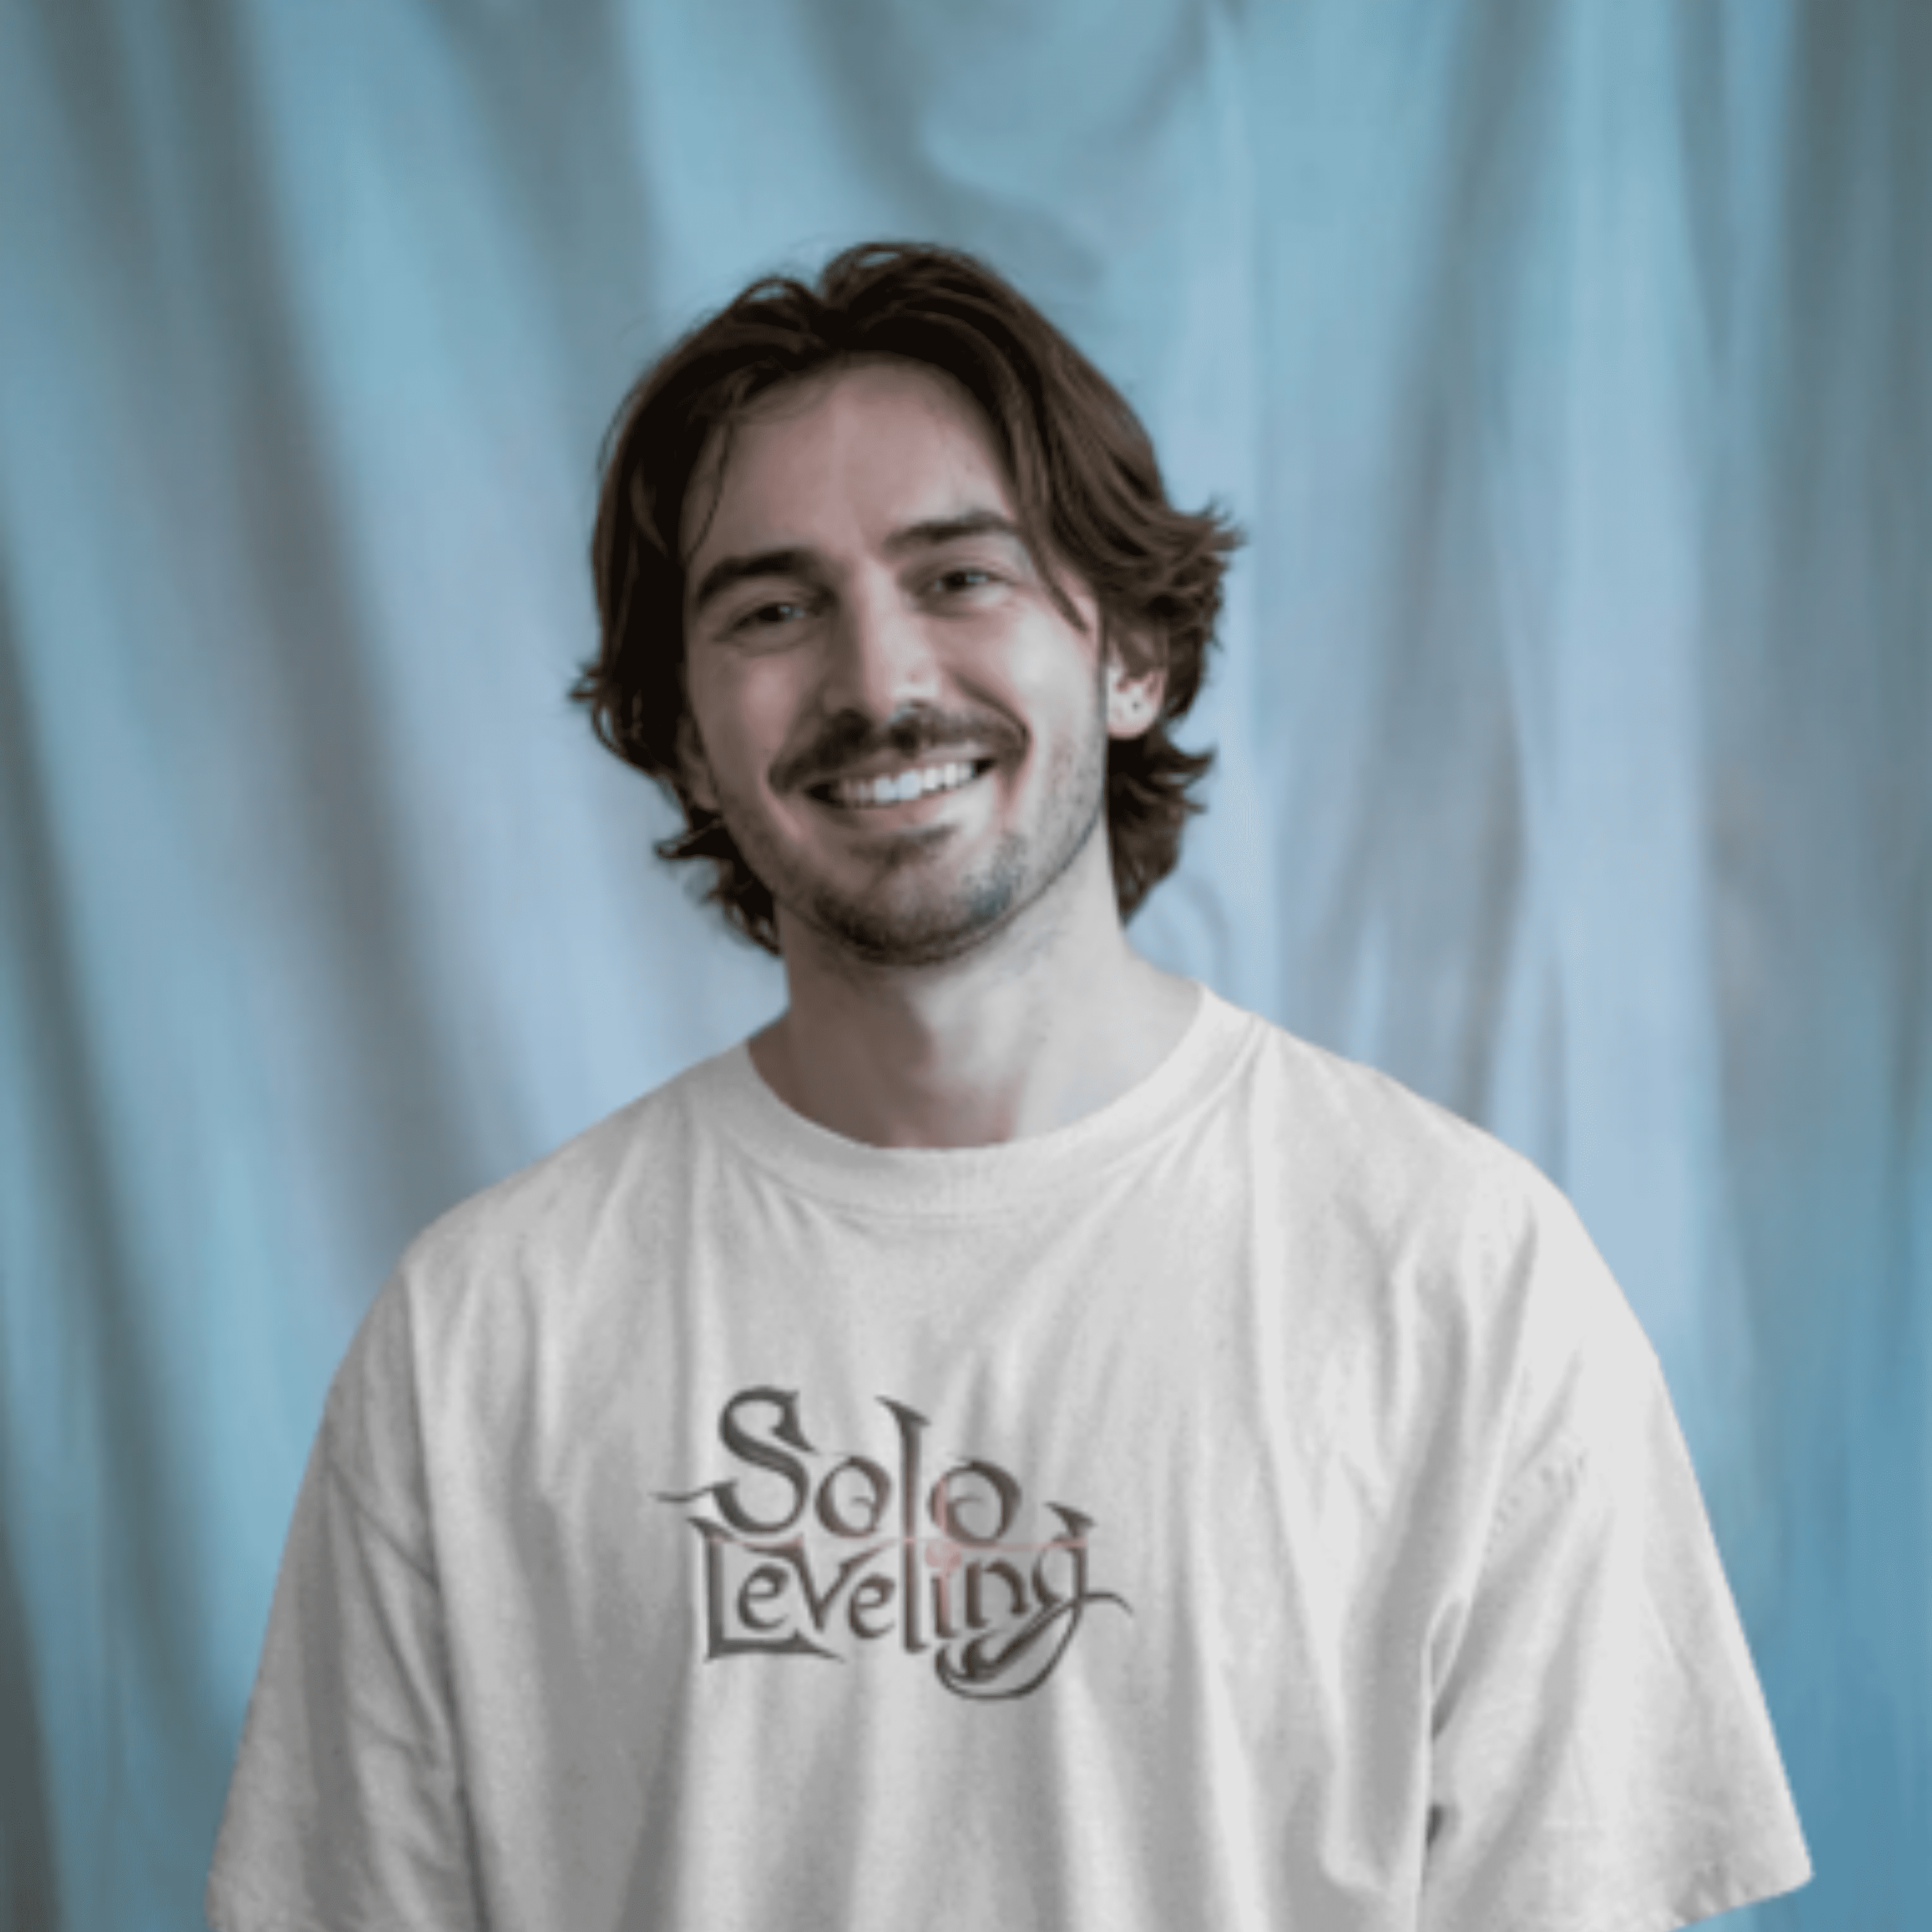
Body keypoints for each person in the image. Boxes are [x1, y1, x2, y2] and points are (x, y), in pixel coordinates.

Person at [206, 240, 1812, 1931]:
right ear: (682, 731)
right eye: (770, 608)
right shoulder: (481, 1332)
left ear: (1129, 655)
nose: (879, 682)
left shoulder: (1465, 1277)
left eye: (959, 577)